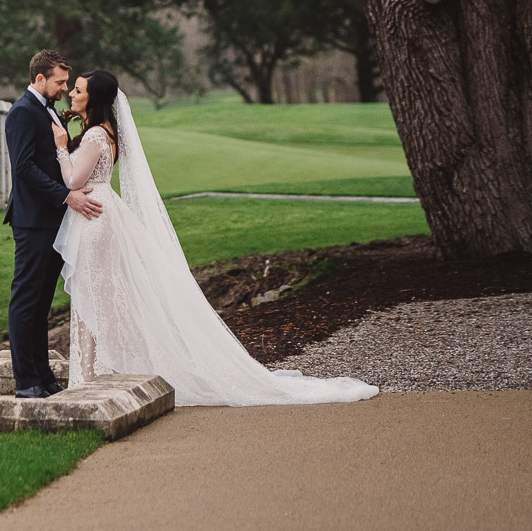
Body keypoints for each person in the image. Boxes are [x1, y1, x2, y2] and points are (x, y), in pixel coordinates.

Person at [51, 69, 378, 406]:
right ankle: (89, 375)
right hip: (100, 212)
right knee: (96, 299)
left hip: (94, 217)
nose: (72, 94)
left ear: (95, 98)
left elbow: (74, 181)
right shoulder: (104, 132)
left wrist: (61, 148)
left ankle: (88, 378)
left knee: (93, 299)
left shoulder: (93, 137)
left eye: (77, 90)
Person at [3, 49, 102, 398]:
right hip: (32, 221)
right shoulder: (21, 112)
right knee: (26, 299)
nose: (63, 89)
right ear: (40, 78)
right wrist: (67, 196)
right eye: (59, 82)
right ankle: (25, 380)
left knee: (43, 301)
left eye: (66, 83)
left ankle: (44, 377)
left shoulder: (47, 111)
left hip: (55, 221)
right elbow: (24, 169)